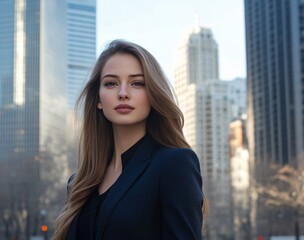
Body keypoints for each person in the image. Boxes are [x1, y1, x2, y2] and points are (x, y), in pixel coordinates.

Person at [53, 40, 207, 240]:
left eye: (137, 83)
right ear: (98, 99)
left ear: (152, 94)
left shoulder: (175, 164)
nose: (123, 93)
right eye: (111, 83)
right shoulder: (79, 183)